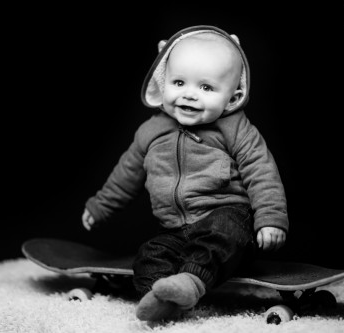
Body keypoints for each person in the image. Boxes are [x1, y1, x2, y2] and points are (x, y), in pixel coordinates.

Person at [82, 25, 289, 322]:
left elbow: (262, 172)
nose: (189, 95)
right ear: (163, 82)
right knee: (149, 255)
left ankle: (190, 283)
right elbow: (125, 175)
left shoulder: (236, 130)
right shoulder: (150, 132)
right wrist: (100, 206)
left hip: (229, 219)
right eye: (179, 82)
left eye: (206, 88)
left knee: (222, 234)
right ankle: (160, 296)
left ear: (233, 97)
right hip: (175, 230)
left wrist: (270, 218)